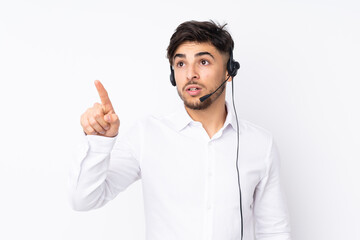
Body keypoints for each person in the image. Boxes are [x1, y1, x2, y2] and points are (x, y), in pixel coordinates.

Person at [69, 20, 291, 240]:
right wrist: (99, 142)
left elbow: (273, 230)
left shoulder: (261, 144)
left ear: (229, 71)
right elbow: (83, 200)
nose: (190, 74)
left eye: (203, 62)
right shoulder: (147, 135)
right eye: (181, 64)